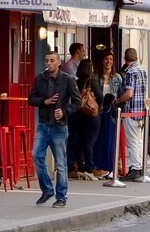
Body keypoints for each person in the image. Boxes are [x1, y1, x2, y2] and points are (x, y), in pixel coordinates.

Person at [28, 50, 80, 208]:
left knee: (60, 164)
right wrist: (45, 101)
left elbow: (77, 102)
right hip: (43, 125)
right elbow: (31, 99)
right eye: (46, 60)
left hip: (59, 126)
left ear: (58, 62)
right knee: (36, 155)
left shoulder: (68, 79)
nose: (48, 63)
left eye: (52, 60)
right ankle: (47, 190)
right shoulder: (40, 78)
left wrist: (64, 111)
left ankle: (61, 197)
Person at [114, 47, 148, 181]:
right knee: (138, 140)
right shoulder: (142, 70)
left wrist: (117, 101)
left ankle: (134, 168)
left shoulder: (130, 72)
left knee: (132, 141)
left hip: (130, 111)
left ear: (125, 59)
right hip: (140, 111)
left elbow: (129, 93)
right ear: (137, 57)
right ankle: (139, 166)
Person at [68, 59, 102, 180]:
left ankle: (81, 168)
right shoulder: (92, 81)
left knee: (79, 143)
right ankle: (89, 169)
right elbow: (100, 96)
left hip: (77, 115)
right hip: (91, 116)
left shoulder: (75, 82)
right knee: (89, 143)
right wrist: (97, 106)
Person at [92, 50, 122, 179]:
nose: (108, 62)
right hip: (98, 112)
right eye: (106, 59)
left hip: (111, 112)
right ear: (101, 61)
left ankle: (111, 168)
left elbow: (120, 95)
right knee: (98, 140)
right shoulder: (95, 77)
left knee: (110, 141)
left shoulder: (117, 77)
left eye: (110, 59)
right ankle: (99, 168)